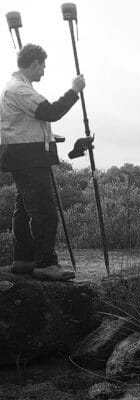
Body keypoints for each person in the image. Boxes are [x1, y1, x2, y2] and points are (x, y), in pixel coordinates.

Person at [0, 43, 85, 281]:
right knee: (44, 211)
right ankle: (46, 264)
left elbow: (32, 123)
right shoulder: (20, 89)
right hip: (29, 158)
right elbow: (50, 112)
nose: (44, 71)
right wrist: (74, 91)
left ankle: (24, 259)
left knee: (25, 209)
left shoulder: (17, 87)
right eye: (43, 66)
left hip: (23, 156)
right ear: (35, 63)